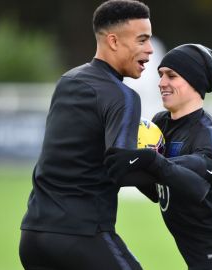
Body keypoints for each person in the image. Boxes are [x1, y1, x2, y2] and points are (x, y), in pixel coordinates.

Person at [19, 1, 153, 270]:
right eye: (142, 40)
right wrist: (167, 175)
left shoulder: (68, 80)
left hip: (33, 235)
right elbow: (122, 166)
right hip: (82, 236)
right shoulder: (122, 96)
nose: (149, 50)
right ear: (113, 41)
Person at [107, 44, 212, 270]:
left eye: (172, 76)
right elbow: (156, 189)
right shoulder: (160, 124)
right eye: (160, 75)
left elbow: (198, 181)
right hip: (200, 259)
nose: (161, 83)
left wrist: (152, 160)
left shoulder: (207, 133)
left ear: (194, 81)